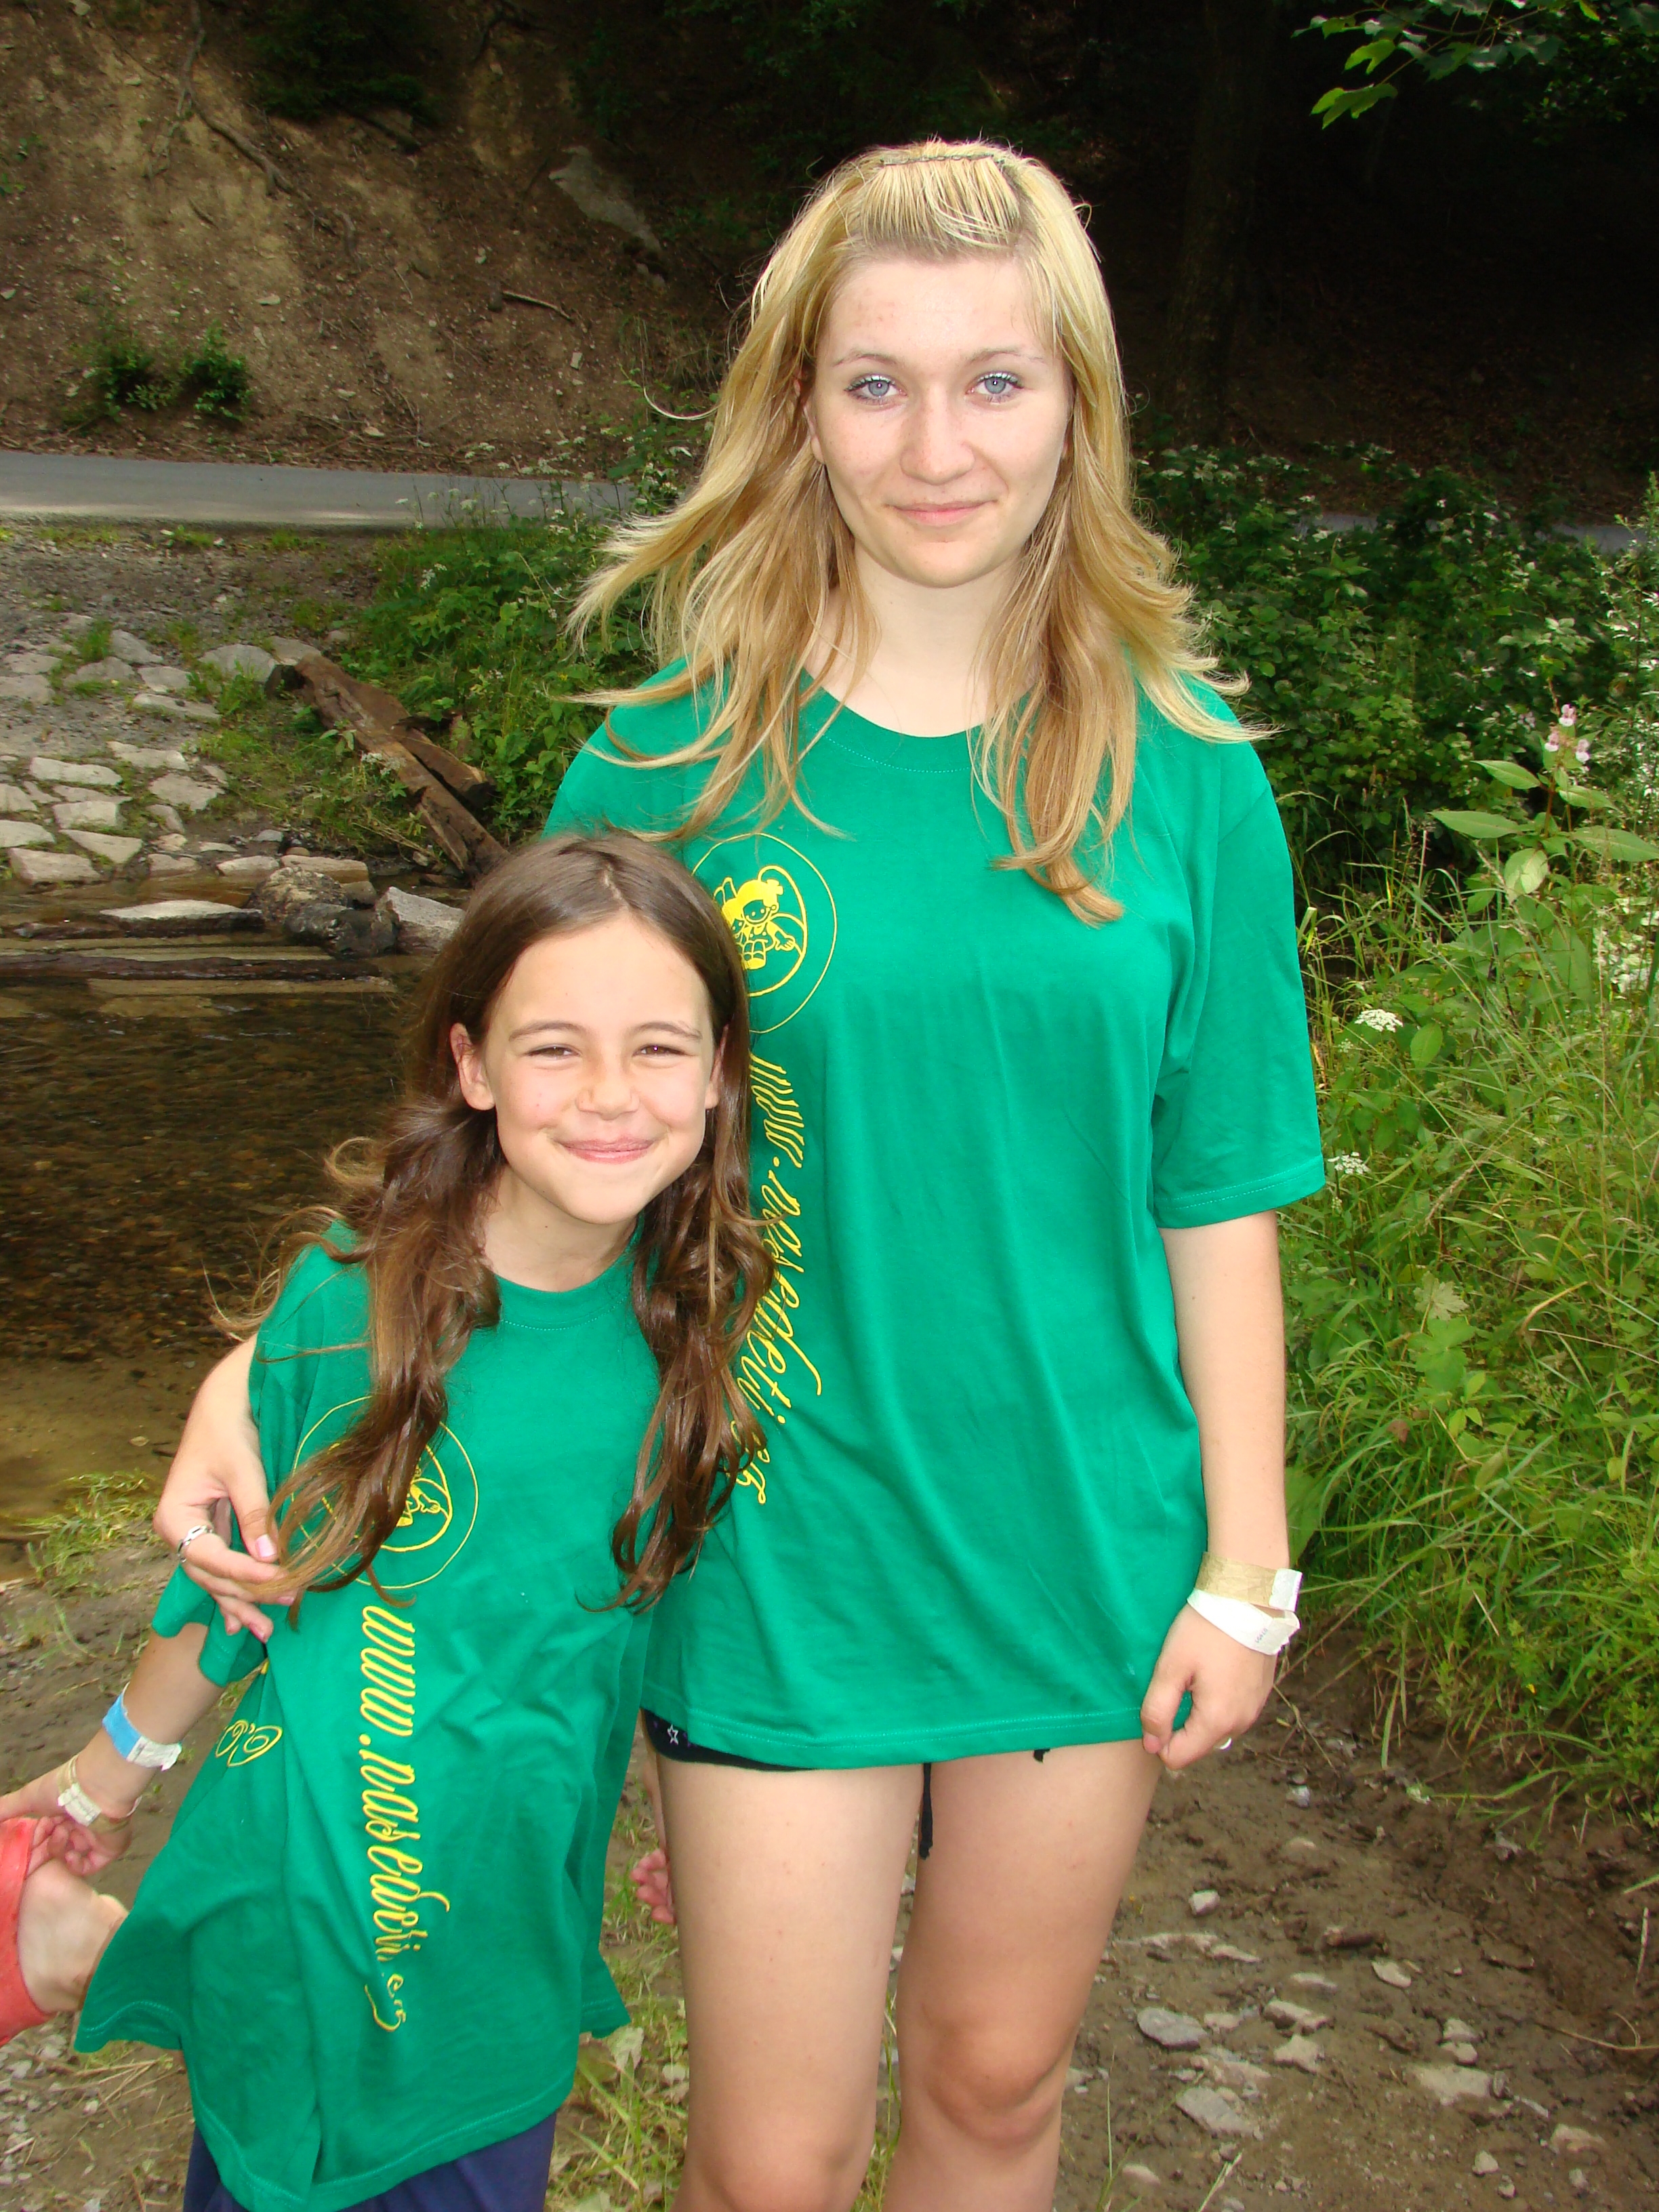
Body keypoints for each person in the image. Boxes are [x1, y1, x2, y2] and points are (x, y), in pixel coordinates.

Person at [148, 140, 1325, 2212]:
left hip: (1081, 1538)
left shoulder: (1191, 775)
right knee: (773, 2160)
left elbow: (1214, 1195)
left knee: (996, 2084)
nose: (937, 447)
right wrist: (263, 1369)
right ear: (800, 407)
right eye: (877, 383)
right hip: (773, 1539)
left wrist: (1247, 1564)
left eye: (995, 380)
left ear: (1079, 406)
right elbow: (513, 1144)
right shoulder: (672, 768)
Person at [0, 835, 769, 2212]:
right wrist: (96, 1783)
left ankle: (85, 1950)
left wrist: (686, 1813)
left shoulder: (693, 1330)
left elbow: (633, 1618)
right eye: (554, 1049)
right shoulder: (349, 1305)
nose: (609, 1095)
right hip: (296, 1899)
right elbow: (233, 1582)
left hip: (498, 1939)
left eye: (658, 1049)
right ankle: (79, 1934)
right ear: (472, 1066)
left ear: (719, 1073)